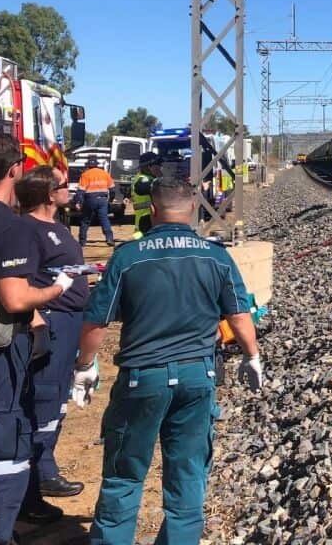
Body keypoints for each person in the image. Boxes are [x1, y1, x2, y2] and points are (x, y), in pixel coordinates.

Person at [72, 176, 262, 544]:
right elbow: (239, 314)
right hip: (197, 376)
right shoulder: (216, 256)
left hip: (143, 378)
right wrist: (252, 355)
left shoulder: (128, 257)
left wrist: (85, 365)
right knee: (188, 474)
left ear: (153, 210)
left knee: (125, 475)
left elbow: (97, 320)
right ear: (193, 208)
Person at [0, 133, 75, 545]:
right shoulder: (12, 226)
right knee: (6, 445)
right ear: (13, 170)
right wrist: (57, 288)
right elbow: (15, 296)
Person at [15, 167, 89, 525]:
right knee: (42, 401)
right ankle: (29, 492)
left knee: (56, 400)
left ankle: (45, 470)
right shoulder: (28, 231)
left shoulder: (58, 228)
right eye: (64, 186)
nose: (70, 190)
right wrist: (36, 319)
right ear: (48, 194)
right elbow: (23, 282)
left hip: (71, 323)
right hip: (53, 325)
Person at [77, 158, 116, 247]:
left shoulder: (85, 175)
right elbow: (112, 189)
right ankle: (109, 238)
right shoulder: (104, 173)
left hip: (90, 200)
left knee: (85, 220)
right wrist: (110, 200)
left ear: (88, 166)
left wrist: (79, 202)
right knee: (104, 219)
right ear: (97, 165)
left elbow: (81, 191)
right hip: (103, 200)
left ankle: (82, 241)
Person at [129, 152, 162, 239]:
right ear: (149, 167)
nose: (160, 167)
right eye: (158, 165)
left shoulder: (149, 178)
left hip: (148, 220)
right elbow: (144, 188)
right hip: (146, 221)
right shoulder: (143, 180)